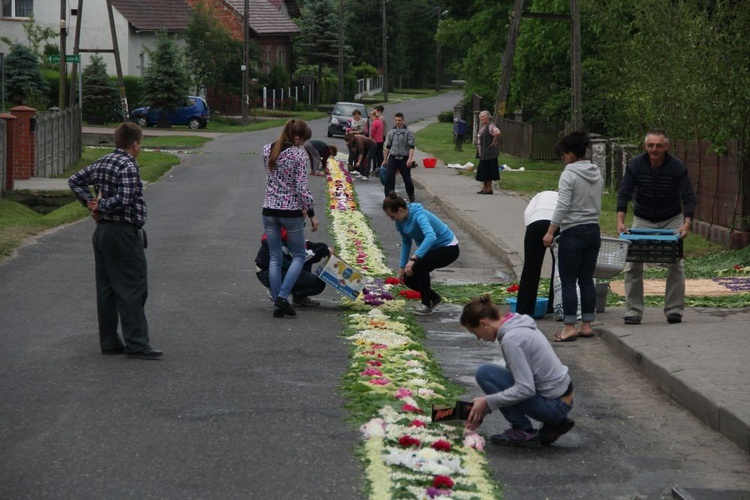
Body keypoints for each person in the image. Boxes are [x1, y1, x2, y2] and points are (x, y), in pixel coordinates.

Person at [68, 123, 162, 359]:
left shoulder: (103, 161)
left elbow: (75, 180)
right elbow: (126, 197)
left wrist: (88, 202)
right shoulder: (128, 165)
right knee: (133, 287)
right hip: (122, 231)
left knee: (107, 288)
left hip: (103, 233)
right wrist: (101, 205)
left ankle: (109, 341)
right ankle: (137, 343)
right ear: (136, 144)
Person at [461, 295, 575, 448]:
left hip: (554, 406)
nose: (478, 338)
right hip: (561, 399)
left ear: (484, 323)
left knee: (485, 374)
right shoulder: (516, 324)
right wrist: (485, 407)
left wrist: (487, 402)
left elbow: (525, 389)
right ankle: (554, 424)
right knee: (488, 373)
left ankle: (523, 430)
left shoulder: (512, 339)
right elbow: (516, 378)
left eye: (476, 333)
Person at [616, 128, 697, 325]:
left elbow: (689, 196)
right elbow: (624, 193)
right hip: (642, 218)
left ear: (666, 147)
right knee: (633, 263)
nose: (654, 149)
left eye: (659, 145)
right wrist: (620, 221)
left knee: (676, 263)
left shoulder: (677, 167)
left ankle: (674, 310)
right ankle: (633, 311)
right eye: (650, 145)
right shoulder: (635, 165)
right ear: (645, 146)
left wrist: (686, 224)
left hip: (671, 219)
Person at [543, 131, 603, 342]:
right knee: (586, 280)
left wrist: (551, 231)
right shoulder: (596, 171)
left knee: (568, 281)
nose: (563, 159)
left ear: (569, 154)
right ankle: (586, 324)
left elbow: (563, 205)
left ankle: (569, 326)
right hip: (593, 230)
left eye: (563, 155)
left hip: (573, 231)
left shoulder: (569, 173)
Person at [262, 119, 318, 318]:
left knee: (275, 257)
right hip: (290, 212)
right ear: (296, 137)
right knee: (299, 255)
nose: (303, 144)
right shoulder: (298, 155)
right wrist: (311, 212)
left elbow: (272, 178)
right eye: (303, 140)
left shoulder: (267, 149)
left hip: (268, 210)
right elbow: (301, 188)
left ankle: (278, 302)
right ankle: (283, 297)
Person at [382, 192, 459, 315]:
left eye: (392, 216)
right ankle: (434, 298)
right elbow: (406, 242)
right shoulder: (400, 222)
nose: (392, 219)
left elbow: (431, 236)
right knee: (408, 277)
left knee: (419, 266)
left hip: (449, 247)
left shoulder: (419, 215)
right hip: (432, 250)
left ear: (400, 210)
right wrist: (402, 267)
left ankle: (426, 304)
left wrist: (413, 259)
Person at [255, 230, 331, 307]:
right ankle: (278, 291)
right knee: (318, 285)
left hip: (272, 267)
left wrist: (324, 247)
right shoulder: (283, 235)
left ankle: (298, 297)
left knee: (305, 261)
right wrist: (323, 251)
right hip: (268, 272)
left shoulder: (284, 228)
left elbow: (305, 244)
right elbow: (303, 255)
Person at [517, 191, 559, 316]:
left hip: (536, 223)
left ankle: (524, 309)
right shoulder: (562, 196)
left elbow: (527, 213)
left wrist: (530, 229)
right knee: (559, 268)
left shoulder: (538, 195)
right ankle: (554, 304)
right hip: (557, 226)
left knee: (530, 268)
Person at [381, 112, 416, 201]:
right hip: (393, 157)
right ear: (394, 120)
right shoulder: (391, 132)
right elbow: (388, 146)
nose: (398, 122)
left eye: (399, 120)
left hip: (404, 158)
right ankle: (389, 196)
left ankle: (411, 195)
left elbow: (411, 147)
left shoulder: (409, 132)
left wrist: (410, 159)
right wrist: (385, 159)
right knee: (389, 177)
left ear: (403, 120)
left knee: (407, 178)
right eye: (396, 120)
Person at [475, 110, 501, 195]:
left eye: (483, 117)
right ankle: (485, 188)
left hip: (489, 153)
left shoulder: (490, 126)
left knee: (488, 171)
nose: (481, 118)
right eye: (480, 117)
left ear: (488, 117)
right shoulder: (483, 126)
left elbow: (497, 132)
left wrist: (493, 142)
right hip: (484, 153)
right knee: (483, 171)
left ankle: (489, 189)